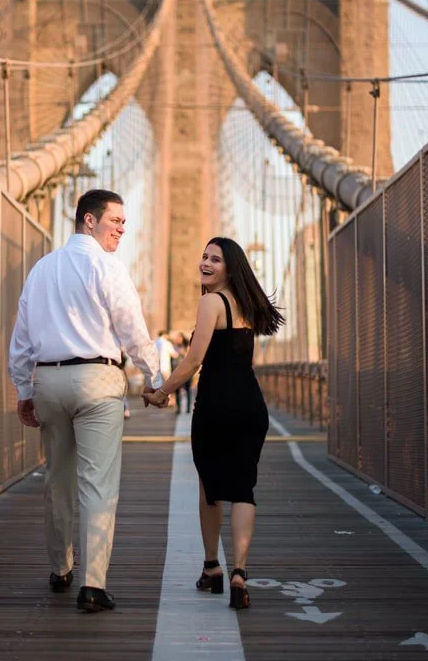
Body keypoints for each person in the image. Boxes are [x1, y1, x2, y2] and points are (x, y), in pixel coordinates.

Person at [9, 189, 167, 614]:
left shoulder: (41, 270)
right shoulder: (108, 267)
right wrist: (156, 380)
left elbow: (21, 338)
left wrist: (25, 391)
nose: (122, 228)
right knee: (97, 483)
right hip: (97, 380)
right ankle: (93, 586)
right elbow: (133, 329)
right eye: (114, 220)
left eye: (124, 222)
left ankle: (61, 569)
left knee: (57, 477)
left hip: (49, 381)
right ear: (88, 221)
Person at [144, 237, 284, 609]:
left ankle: (212, 568)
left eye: (215, 259)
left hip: (216, 405)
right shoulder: (249, 305)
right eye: (203, 256)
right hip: (250, 404)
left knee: (210, 486)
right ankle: (239, 571)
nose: (204, 263)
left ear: (229, 267)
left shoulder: (211, 302)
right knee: (243, 487)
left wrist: (162, 391)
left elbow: (192, 361)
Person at [172, 332, 192, 415]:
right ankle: (179, 408)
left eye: (179, 338)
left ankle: (188, 409)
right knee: (177, 391)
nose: (178, 340)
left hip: (186, 371)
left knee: (187, 390)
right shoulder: (174, 347)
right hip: (177, 371)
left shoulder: (187, 347)